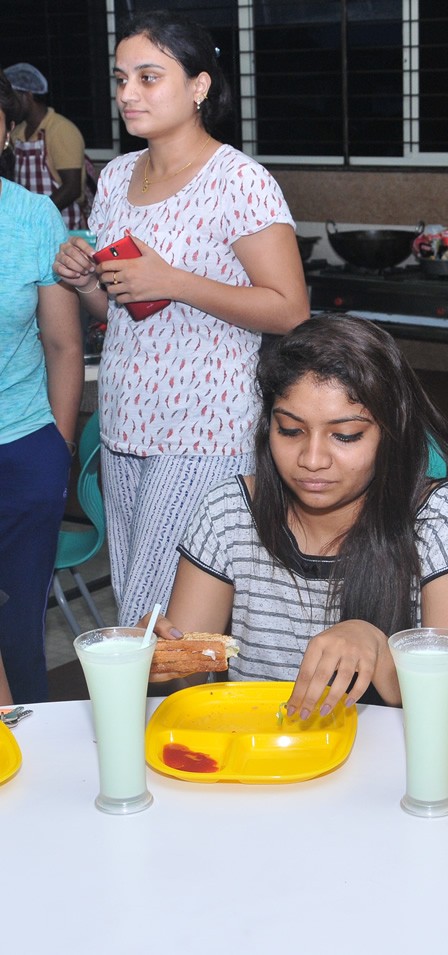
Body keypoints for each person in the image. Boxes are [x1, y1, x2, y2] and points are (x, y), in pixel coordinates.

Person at [53, 11, 310, 628]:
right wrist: (89, 282)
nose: (127, 95)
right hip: (125, 423)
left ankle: (152, 721)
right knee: (148, 608)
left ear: (199, 86)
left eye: (148, 77)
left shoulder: (240, 182)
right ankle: (171, 721)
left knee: (157, 620)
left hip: (206, 430)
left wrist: (175, 281)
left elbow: (290, 309)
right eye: (121, 80)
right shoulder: (114, 178)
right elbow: (118, 316)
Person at [147, 314, 448, 718]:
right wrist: (154, 663)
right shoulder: (228, 511)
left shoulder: (440, 517)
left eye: (345, 436)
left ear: (392, 432)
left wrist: (379, 648)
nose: (311, 460)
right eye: (290, 431)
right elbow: (186, 683)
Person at [0, 69, 83, 703]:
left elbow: (62, 344)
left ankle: (22, 776)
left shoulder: (32, 218)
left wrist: (56, 448)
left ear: (5, 130)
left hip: (22, 451)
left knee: (17, 629)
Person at [4, 62, 88, 229]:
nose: (9, 105)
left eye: (12, 98)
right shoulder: (17, 132)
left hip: (62, 224)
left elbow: (72, 188)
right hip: (28, 224)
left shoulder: (60, 129)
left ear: (27, 96)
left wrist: (36, 215)